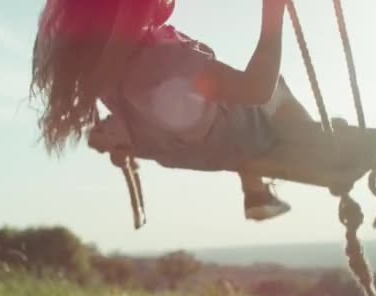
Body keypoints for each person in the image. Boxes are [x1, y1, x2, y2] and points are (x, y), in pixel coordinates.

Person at [29, 0, 313, 221]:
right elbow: (256, 89)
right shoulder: (167, 60)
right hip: (232, 140)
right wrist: (273, 16)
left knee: (202, 111)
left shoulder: (102, 73)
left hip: (177, 151)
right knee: (275, 89)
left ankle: (257, 195)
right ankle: (312, 139)